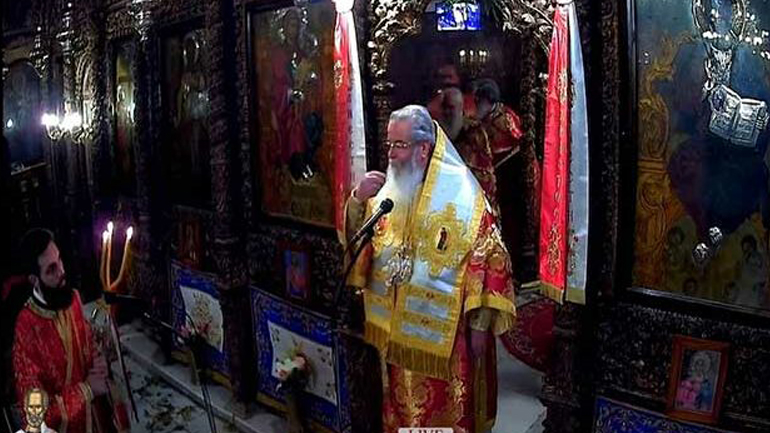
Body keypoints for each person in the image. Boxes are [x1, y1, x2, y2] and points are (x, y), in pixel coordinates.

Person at [345, 105, 516, 432]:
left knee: (441, 415)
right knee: (400, 412)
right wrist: (357, 199)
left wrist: (479, 325)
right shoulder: (390, 190)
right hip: (394, 331)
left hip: (445, 342)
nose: (391, 154)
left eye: (400, 145)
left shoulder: (463, 193)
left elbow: (490, 255)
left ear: (424, 148)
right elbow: (359, 243)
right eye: (390, 144)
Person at [10, 229, 118, 433]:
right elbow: (35, 418)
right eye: (51, 269)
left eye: (59, 260)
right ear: (34, 280)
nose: (61, 271)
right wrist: (86, 390)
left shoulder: (72, 297)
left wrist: (98, 362)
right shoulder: (26, 329)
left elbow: (88, 344)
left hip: (97, 418)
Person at [430, 87, 498, 215]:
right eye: (443, 108)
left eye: (451, 108)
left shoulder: (475, 132)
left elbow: (484, 172)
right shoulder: (434, 132)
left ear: (461, 110)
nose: (446, 112)